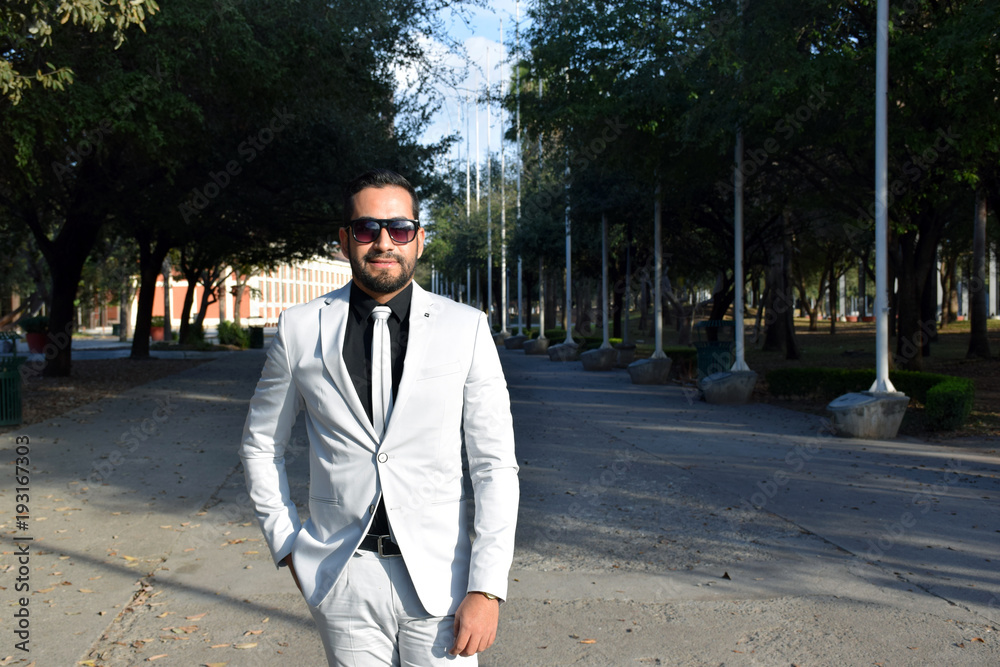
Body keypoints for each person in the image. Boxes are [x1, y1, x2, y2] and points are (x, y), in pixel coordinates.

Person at [239, 168, 519, 665]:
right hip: (343, 575)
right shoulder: (300, 328)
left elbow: (494, 466)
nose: (384, 243)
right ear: (345, 240)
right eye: (368, 230)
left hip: (442, 581)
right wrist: (286, 543)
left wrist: (488, 587)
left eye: (400, 229)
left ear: (419, 239)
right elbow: (261, 443)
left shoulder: (467, 329)